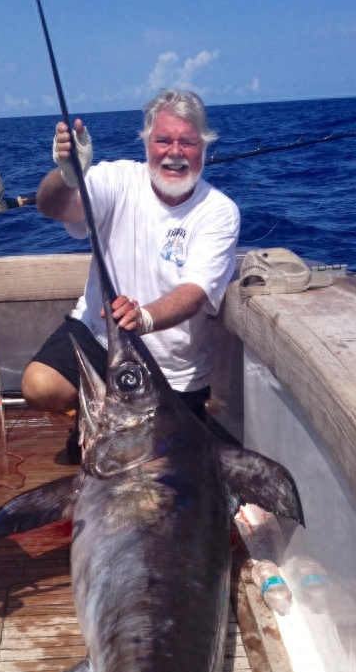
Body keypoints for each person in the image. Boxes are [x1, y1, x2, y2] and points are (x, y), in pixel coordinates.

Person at [22, 89, 240, 457]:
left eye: (187, 141)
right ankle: (96, 418)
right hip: (100, 335)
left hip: (172, 368)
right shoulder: (117, 179)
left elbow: (196, 290)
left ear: (204, 146)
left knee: (159, 467)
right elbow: (52, 206)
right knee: (39, 385)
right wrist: (68, 177)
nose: (174, 152)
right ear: (147, 144)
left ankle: (108, 422)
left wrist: (146, 317)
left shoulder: (218, 211)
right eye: (163, 140)